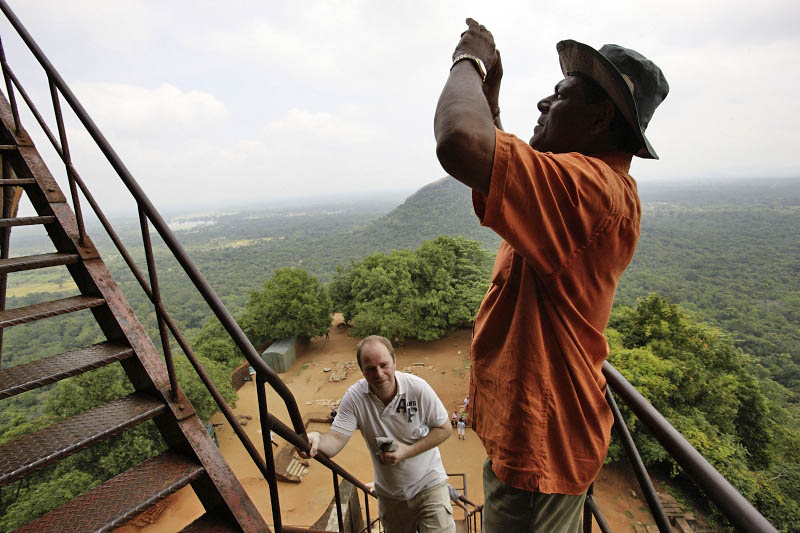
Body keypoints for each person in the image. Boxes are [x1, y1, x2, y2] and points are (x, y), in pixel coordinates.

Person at [434, 18, 668, 531]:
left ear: (600, 117)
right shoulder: (575, 188)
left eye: (559, 95)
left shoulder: (591, 191)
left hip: (542, 450)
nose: (541, 104)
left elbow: (459, 139)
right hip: (533, 439)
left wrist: (467, 61)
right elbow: (490, 148)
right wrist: (491, 93)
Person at [303, 335, 455, 533]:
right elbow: (334, 440)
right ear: (362, 371)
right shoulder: (355, 398)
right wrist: (316, 438)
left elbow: (445, 428)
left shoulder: (417, 388)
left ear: (394, 361)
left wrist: (406, 451)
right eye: (370, 368)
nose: (379, 374)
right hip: (391, 495)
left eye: (384, 365)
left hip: (429, 483)